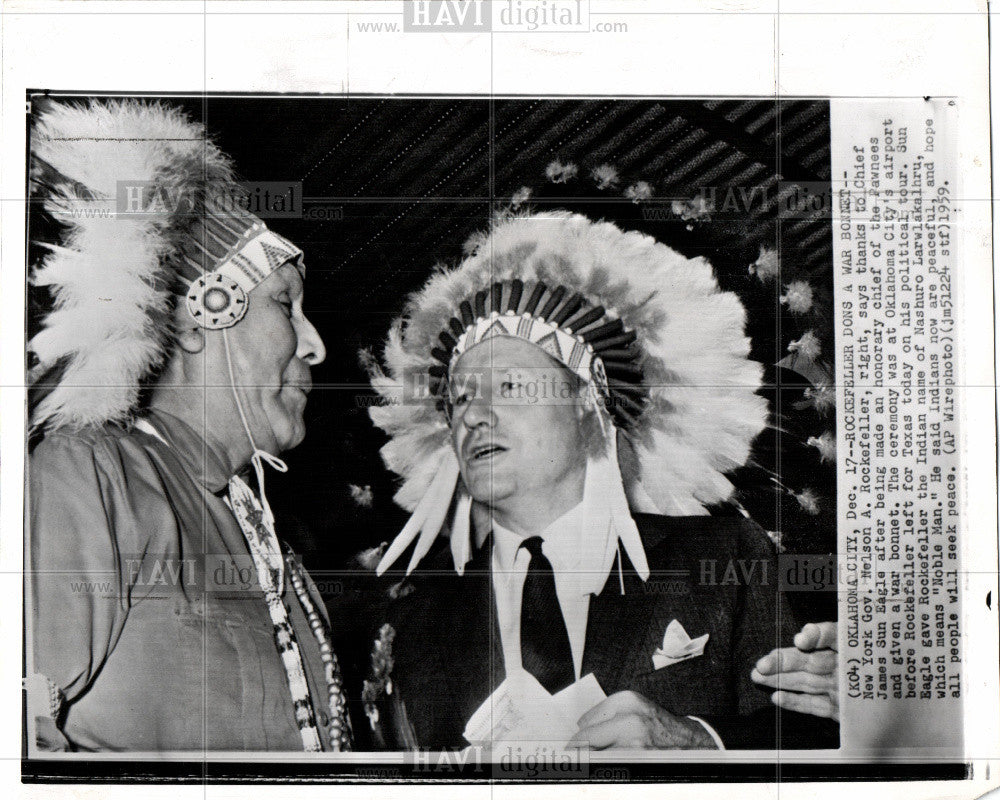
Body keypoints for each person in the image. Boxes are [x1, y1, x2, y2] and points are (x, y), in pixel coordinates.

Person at [362, 211, 839, 750]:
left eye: (512, 387)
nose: (473, 416)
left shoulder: (726, 561)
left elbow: (817, 737)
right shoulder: (413, 624)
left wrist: (698, 744)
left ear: (588, 408)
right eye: (461, 398)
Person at [25, 99, 351, 752]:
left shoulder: (273, 547)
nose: (315, 346)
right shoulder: (91, 476)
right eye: (286, 304)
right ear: (204, 318)